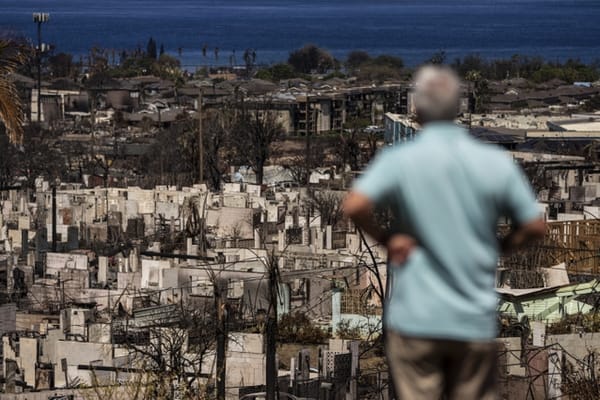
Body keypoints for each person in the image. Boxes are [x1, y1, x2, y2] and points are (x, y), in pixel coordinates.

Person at [343, 65, 546, 400]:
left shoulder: (401, 158)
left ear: (418, 111)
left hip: (416, 320)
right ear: (457, 110)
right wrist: (500, 246)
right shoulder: (492, 161)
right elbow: (535, 225)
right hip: (471, 322)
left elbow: (354, 205)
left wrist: (387, 240)